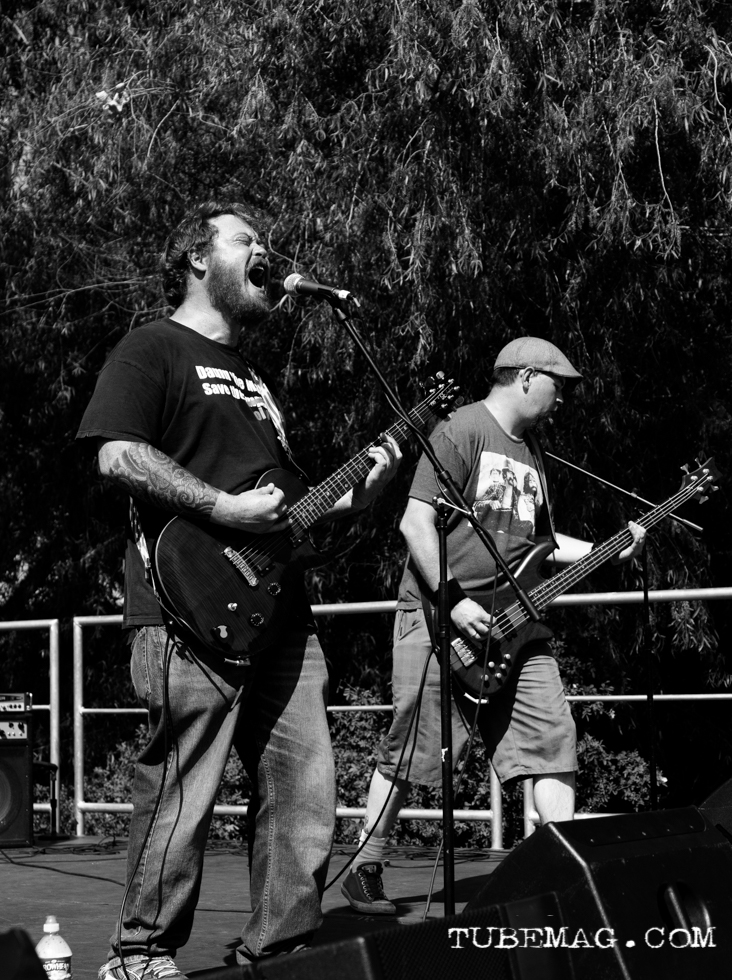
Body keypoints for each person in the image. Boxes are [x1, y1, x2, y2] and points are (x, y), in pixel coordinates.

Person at [76, 201, 401, 980]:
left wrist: (354, 498)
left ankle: (281, 951)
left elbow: (286, 513)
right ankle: (139, 954)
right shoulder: (152, 346)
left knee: (306, 786)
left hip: (279, 612)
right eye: (246, 239)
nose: (265, 251)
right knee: (183, 788)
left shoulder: (256, 381)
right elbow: (117, 455)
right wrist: (222, 508)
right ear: (198, 257)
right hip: (185, 605)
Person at [340, 336, 646, 915]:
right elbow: (414, 524)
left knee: (553, 738)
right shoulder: (461, 430)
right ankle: (365, 866)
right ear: (526, 377)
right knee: (414, 749)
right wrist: (453, 601)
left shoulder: (534, 456)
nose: (563, 399)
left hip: (516, 626)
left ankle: (562, 871)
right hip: (438, 615)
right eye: (558, 385)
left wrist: (607, 550)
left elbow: (541, 547)